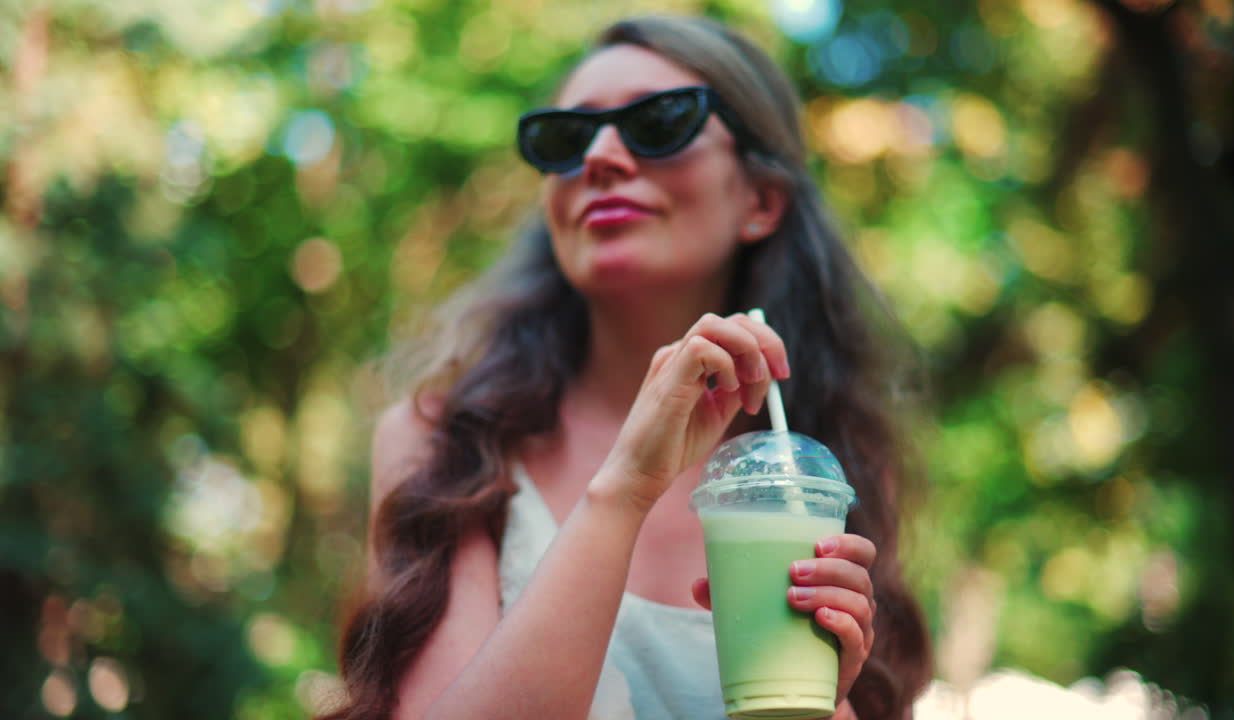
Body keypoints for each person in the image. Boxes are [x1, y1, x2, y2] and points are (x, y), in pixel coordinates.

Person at [321, 14, 931, 720]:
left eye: (660, 122)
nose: (601, 156)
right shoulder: (446, 441)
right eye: (566, 138)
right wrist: (625, 490)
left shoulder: (831, 467)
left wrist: (821, 704)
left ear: (761, 201)